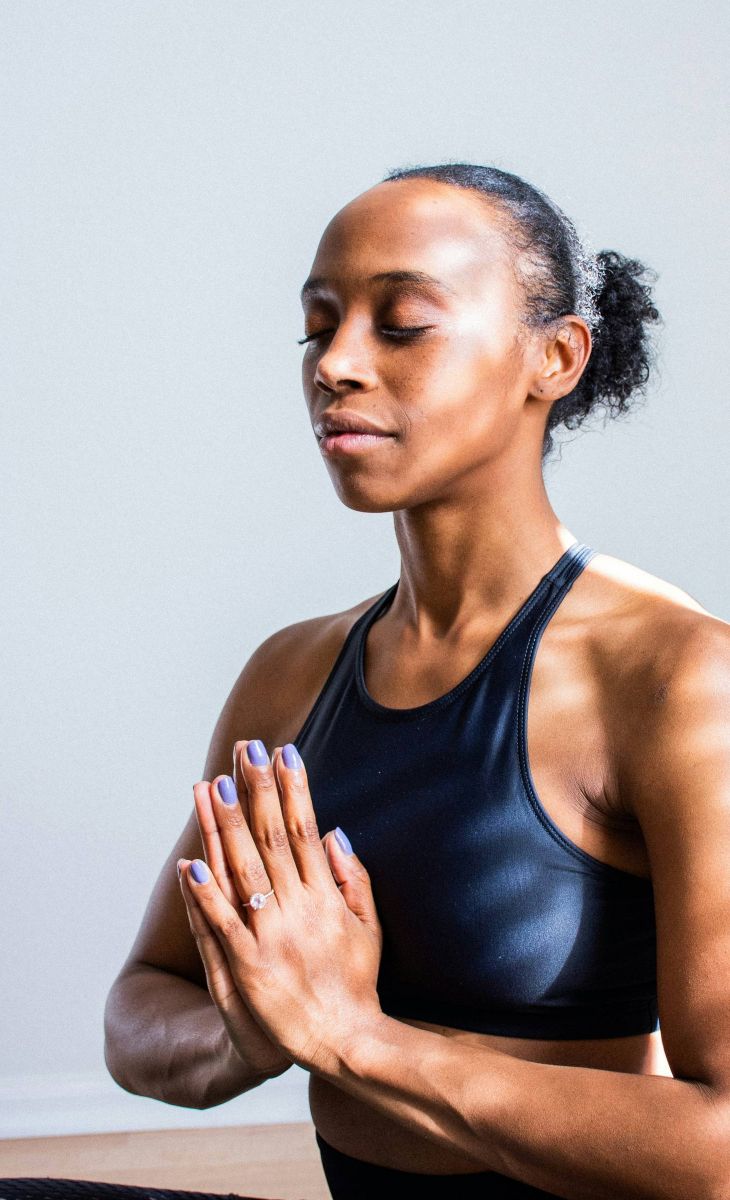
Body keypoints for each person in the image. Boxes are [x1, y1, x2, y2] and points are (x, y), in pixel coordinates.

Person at [40, 162, 726, 1200]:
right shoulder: (290, 673)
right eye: (317, 328)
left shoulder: (676, 678)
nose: (337, 364)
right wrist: (252, 1034)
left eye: (400, 323)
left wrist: (357, 1042)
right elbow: (142, 1006)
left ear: (555, 356)